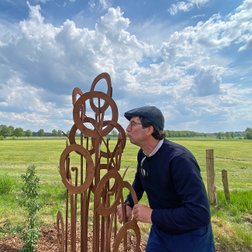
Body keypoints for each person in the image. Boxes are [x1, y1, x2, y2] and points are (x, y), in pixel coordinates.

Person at [117, 105, 215, 252]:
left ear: (149, 129)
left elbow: (199, 214)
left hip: (190, 238)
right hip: (161, 232)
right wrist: (128, 203)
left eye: (133, 123)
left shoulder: (179, 160)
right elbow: (140, 182)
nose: (127, 129)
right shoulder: (143, 154)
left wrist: (152, 215)